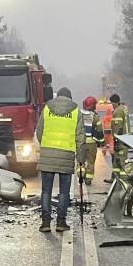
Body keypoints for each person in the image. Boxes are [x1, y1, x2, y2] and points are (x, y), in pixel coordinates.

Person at [36, 87, 85, 232]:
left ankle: (45, 223)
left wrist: (46, 145)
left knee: (46, 191)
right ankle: (61, 223)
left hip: (47, 155)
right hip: (66, 155)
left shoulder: (47, 109)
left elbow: (39, 131)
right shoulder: (75, 111)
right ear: (70, 97)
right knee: (64, 192)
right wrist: (81, 158)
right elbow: (81, 137)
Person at [79, 96, 104, 184]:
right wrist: (102, 142)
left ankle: (80, 174)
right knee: (90, 161)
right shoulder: (95, 117)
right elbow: (99, 130)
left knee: (81, 160)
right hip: (91, 143)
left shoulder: (79, 115)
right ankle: (88, 179)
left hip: (81, 142)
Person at [110, 93, 130, 176]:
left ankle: (122, 178)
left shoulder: (118, 111)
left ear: (115, 102)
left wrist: (116, 139)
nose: (112, 106)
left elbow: (117, 127)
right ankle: (114, 177)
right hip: (125, 138)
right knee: (117, 158)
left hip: (121, 139)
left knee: (121, 160)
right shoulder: (123, 109)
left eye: (112, 103)